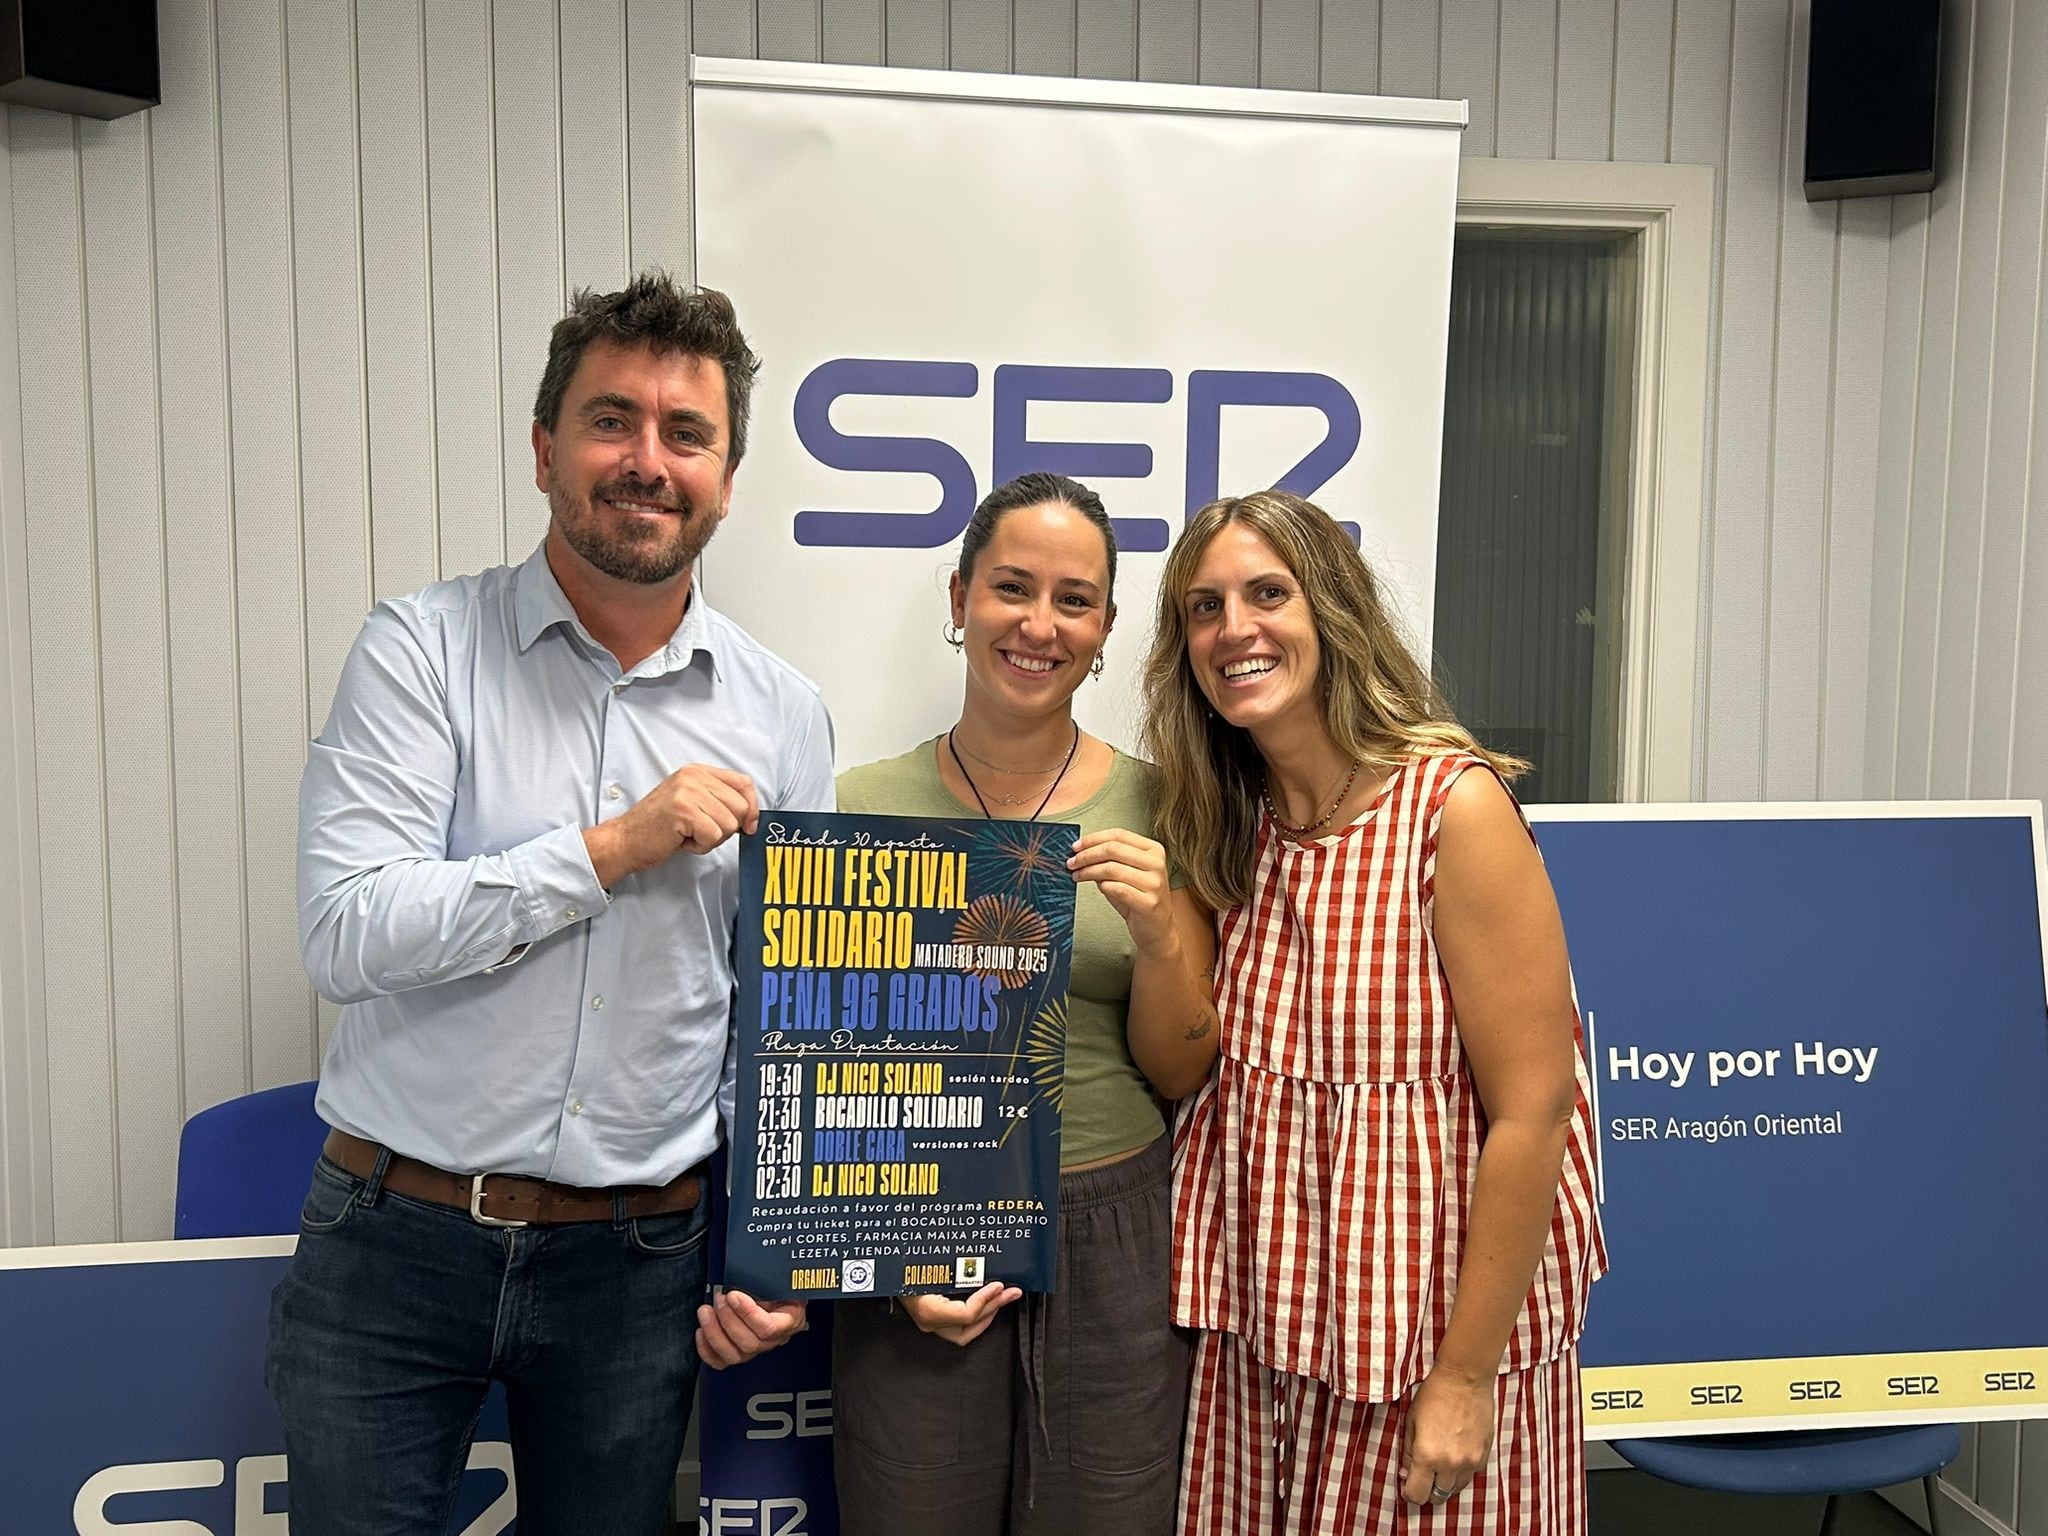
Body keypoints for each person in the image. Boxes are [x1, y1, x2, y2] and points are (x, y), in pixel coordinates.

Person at [268, 273, 828, 1535]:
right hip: (391, 1240)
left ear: (727, 477)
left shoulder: (784, 714)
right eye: (610, 421)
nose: (647, 461)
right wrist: (612, 846)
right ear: (544, 449)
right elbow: (345, 931)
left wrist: (773, 1243)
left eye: (687, 435)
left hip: (637, 1269)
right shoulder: (419, 650)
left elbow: (780, 1022)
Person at [1143, 490, 1607, 1535]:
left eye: (1268, 593)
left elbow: (1533, 1117)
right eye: (1203, 608)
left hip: (1419, 1352)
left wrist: (1463, 1377)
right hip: (1263, 1343)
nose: (1233, 630)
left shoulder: (1454, 808)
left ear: (1332, 613)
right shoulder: (1231, 822)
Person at [830, 472, 1220, 1536]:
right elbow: (836, 1063)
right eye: (1010, 588)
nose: (1038, 624)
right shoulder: (859, 802)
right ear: (957, 601)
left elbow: (1181, 1071)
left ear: (1102, 631)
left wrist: (1155, 934)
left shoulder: (1165, 802)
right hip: (917, 1221)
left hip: (1115, 1229)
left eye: (1074, 600)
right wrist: (893, 1257)